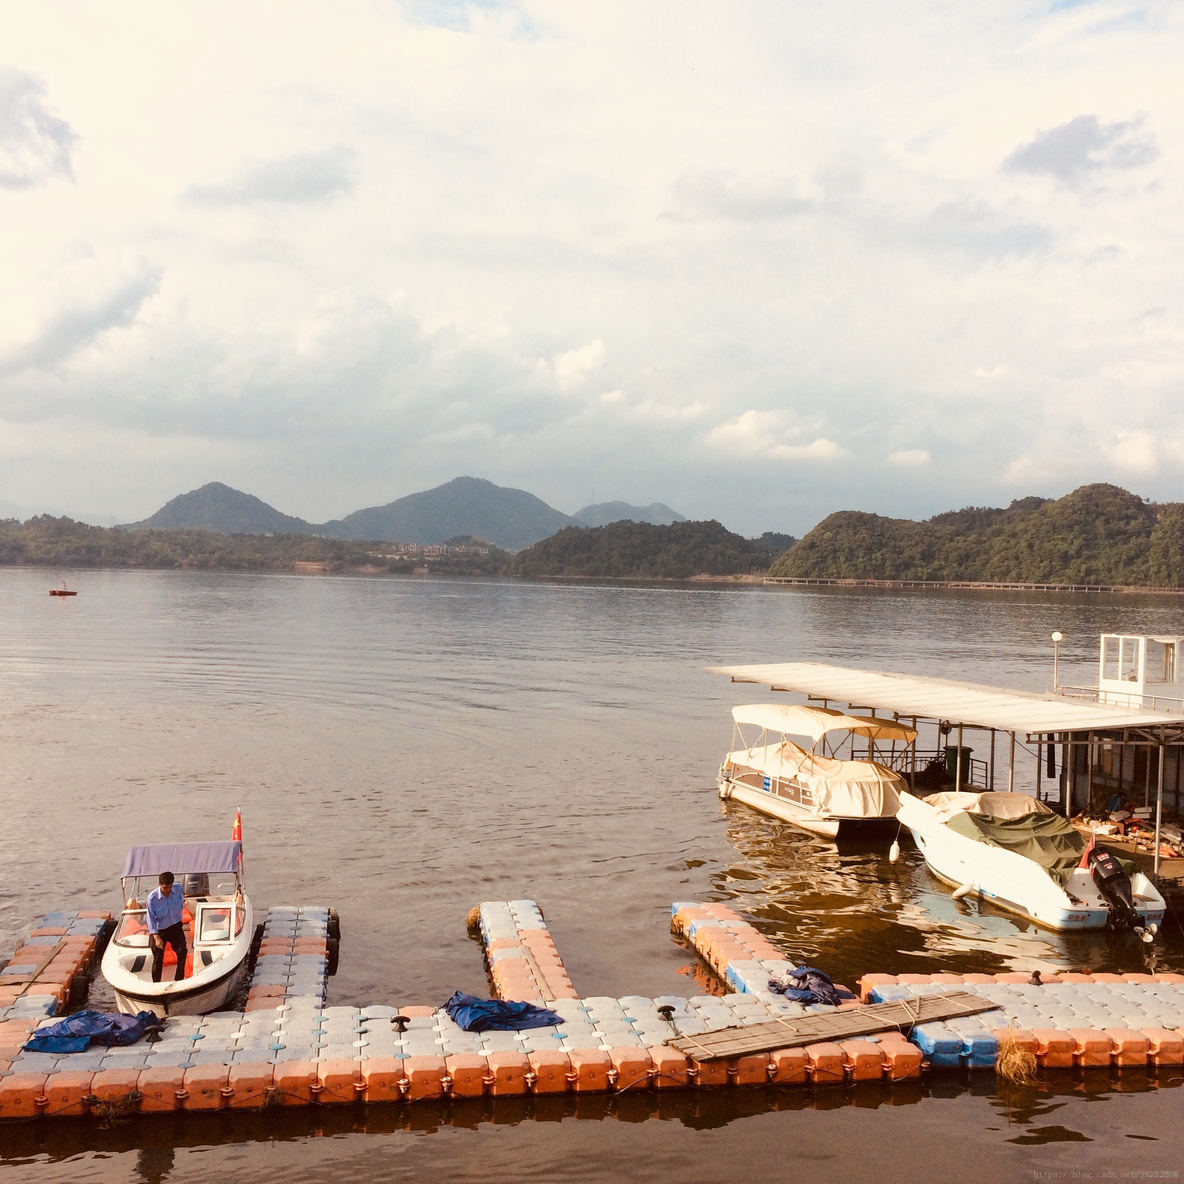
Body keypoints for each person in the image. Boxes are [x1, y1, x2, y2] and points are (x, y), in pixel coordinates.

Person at [146, 871, 187, 983]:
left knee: (182, 951)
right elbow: (151, 919)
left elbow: (181, 902)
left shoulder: (178, 888)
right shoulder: (152, 898)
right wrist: (156, 937)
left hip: (175, 927)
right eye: (165, 888)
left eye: (169, 887)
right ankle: (156, 983)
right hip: (160, 930)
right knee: (158, 958)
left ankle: (179, 979)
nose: (167, 890)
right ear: (159, 884)